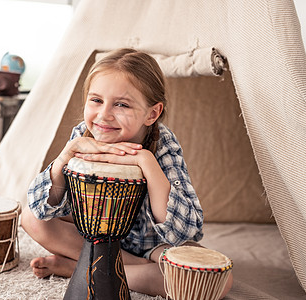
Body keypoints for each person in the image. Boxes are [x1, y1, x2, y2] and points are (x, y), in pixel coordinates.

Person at [21, 48, 233, 298]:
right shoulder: (83, 135)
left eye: (121, 104)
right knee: (31, 218)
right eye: (96, 100)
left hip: (150, 244)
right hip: (94, 236)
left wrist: (146, 161)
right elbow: (42, 207)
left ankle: (83, 268)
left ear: (152, 113)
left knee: (215, 280)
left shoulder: (163, 144)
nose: (104, 115)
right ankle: (109, 267)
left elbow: (185, 231)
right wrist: (64, 157)